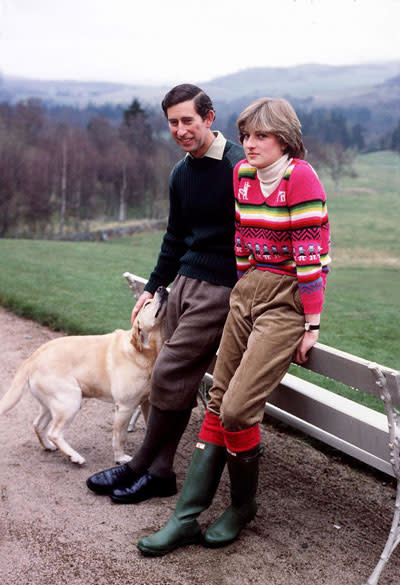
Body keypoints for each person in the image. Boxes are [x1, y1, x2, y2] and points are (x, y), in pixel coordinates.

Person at [136, 97, 331, 556]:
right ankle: (185, 518)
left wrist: (312, 323)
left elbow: (308, 256)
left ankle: (243, 506)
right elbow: (242, 238)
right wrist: (243, 288)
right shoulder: (243, 175)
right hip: (247, 291)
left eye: (261, 136)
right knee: (219, 400)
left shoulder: (298, 177)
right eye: (246, 136)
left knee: (239, 408)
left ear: (284, 138)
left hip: (286, 297)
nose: (250, 144)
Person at [86, 84, 244, 503]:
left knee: (167, 373)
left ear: (209, 118)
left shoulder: (238, 167)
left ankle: (139, 465)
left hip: (223, 290)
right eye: (173, 122)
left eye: (188, 120)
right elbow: (175, 238)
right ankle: (159, 473)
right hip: (184, 286)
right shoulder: (181, 173)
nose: (180, 130)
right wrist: (155, 287)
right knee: (175, 379)